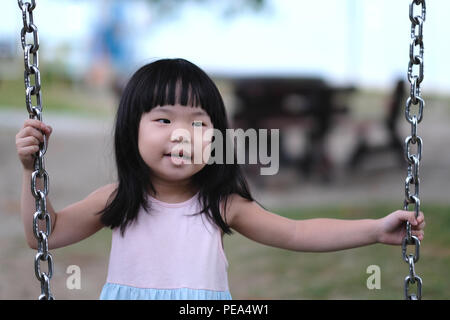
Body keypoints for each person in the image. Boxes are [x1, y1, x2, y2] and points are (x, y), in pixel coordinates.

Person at [15, 58, 425, 300]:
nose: (181, 134)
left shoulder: (221, 205)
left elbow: (298, 233)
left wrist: (374, 229)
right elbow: (44, 234)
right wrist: (31, 172)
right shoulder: (120, 198)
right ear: (131, 131)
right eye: (162, 119)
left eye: (198, 123)